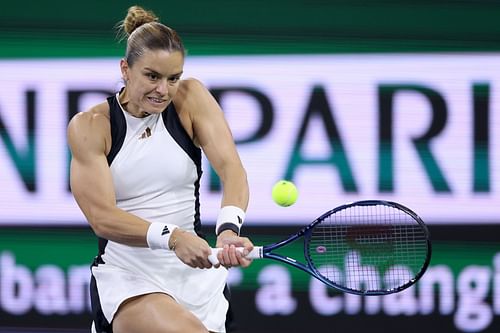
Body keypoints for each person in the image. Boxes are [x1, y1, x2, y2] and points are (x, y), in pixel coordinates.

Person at [67, 5, 253, 333]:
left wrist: (228, 230)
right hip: (129, 280)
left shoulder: (191, 98)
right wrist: (173, 237)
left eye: (173, 78)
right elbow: (102, 217)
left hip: (197, 279)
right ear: (125, 69)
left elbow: (232, 170)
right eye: (152, 76)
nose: (163, 90)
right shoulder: (92, 126)